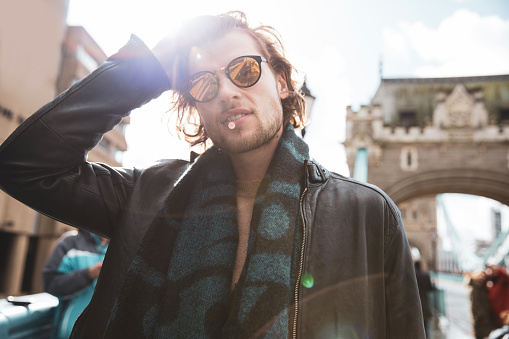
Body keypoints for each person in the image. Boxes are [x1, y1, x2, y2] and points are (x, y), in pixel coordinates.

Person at [0, 11, 425, 338]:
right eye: (204, 84)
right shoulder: (147, 195)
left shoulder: (369, 214)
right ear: (196, 107)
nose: (226, 91)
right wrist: (145, 70)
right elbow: (27, 164)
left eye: (244, 70)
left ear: (281, 82)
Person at [43, 230, 109, 339]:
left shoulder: (125, 247)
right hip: (67, 335)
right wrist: (89, 274)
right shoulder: (70, 241)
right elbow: (50, 284)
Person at [469, 265, 509, 339]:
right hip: (485, 321)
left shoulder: (501, 284)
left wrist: (497, 269)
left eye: (484, 275)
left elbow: (505, 277)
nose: (482, 276)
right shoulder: (480, 288)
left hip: (500, 319)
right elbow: (476, 306)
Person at [414, 261, 434, 338]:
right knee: (426, 326)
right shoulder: (425, 275)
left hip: (414, 304)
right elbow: (430, 289)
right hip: (424, 303)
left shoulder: (412, 275)